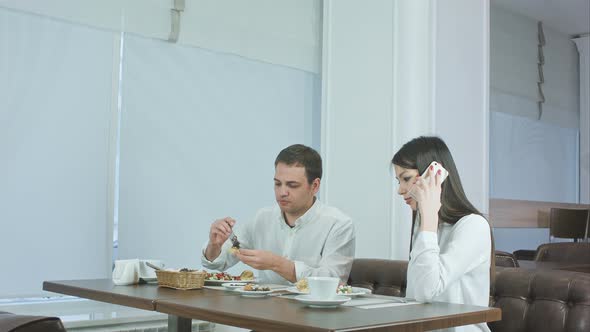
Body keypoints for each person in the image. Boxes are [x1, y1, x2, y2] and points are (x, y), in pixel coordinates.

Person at [201, 144, 355, 285]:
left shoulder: (338, 224)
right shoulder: (262, 218)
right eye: (277, 184)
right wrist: (214, 245)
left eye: (292, 185)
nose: (282, 192)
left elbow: (333, 282)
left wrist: (277, 264)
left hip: (314, 313)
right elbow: (218, 262)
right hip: (265, 311)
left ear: (314, 186)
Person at [392, 136, 493, 332]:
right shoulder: (425, 225)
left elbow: (426, 291)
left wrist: (429, 216)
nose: (400, 190)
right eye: (398, 181)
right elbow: (417, 296)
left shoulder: (473, 225)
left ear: (434, 176)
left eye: (406, 178)